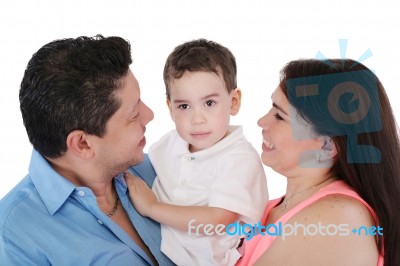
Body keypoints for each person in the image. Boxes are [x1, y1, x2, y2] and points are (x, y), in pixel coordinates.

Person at [0, 35, 174, 265]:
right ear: (82, 143)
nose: (149, 115)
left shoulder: (159, 169)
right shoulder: (13, 237)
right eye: (133, 114)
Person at [238, 58, 400, 266]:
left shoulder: (339, 219)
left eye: (279, 116)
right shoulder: (268, 207)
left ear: (326, 147)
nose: (262, 122)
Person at [125, 39, 269, 265]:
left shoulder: (239, 159)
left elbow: (218, 220)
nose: (197, 119)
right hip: (163, 249)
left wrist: (152, 208)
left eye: (209, 103)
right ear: (170, 108)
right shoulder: (170, 143)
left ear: (234, 101)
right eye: (184, 106)